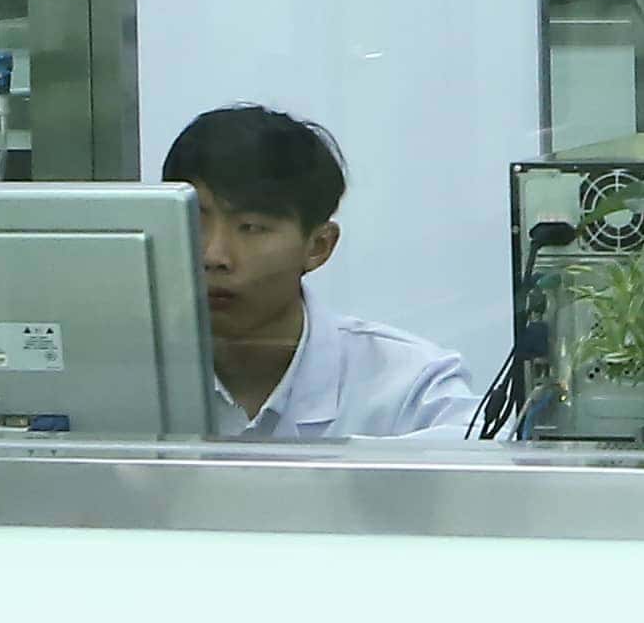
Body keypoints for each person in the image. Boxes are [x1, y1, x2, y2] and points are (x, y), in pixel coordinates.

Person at [162, 104, 479, 440]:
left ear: (318, 246)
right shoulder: (127, 371)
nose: (214, 256)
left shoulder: (413, 387)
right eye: (195, 221)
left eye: (251, 227)